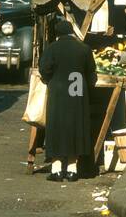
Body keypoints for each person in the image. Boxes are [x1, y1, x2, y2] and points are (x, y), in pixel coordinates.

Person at [38, 17, 96, 182]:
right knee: (75, 128)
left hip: (58, 94)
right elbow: (92, 73)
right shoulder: (84, 49)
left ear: (57, 35)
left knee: (57, 129)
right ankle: (72, 169)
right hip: (78, 95)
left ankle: (56, 170)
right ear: (71, 32)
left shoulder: (52, 48)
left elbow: (44, 70)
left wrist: (51, 80)